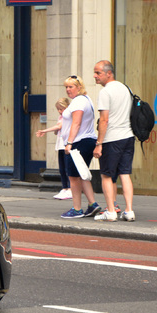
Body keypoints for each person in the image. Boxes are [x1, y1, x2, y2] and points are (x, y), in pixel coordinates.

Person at [93, 60, 135, 222]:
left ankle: (111, 211)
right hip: (128, 136)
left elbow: (104, 120)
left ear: (109, 73)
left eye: (98, 73)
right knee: (125, 173)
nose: (95, 76)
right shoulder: (126, 88)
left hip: (112, 139)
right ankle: (129, 211)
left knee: (106, 175)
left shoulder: (105, 92)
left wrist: (99, 143)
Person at [59, 75, 101, 218]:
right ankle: (92, 204)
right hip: (88, 141)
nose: (68, 90)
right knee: (82, 175)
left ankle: (77, 209)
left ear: (79, 87)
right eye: (66, 87)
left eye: (71, 87)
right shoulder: (87, 100)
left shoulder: (77, 102)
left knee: (73, 177)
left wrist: (69, 143)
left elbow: (76, 123)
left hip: (78, 143)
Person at [37, 97, 71, 200]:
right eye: (58, 109)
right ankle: (64, 187)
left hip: (66, 143)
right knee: (62, 168)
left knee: (67, 168)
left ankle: (70, 188)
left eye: (62, 109)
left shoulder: (68, 116)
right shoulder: (60, 117)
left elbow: (59, 127)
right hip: (60, 144)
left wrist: (44, 130)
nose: (60, 111)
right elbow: (58, 129)